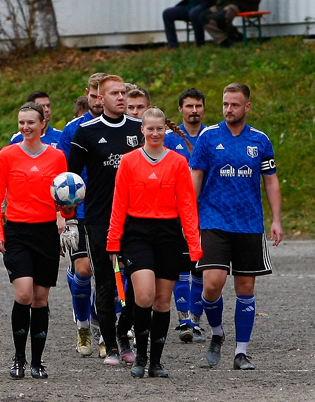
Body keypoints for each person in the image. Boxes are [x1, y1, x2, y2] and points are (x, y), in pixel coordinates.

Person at [190, 83, 283, 370]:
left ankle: (241, 353)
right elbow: (196, 177)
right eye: (225, 104)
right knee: (212, 284)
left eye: (234, 105)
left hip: (249, 224)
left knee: (245, 288)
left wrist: (276, 219)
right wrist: (189, 218)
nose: (229, 109)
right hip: (214, 221)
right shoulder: (208, 137)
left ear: (247, 107)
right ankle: (217, 332)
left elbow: (270, 180)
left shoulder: (260, 140)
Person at [107, 107, 202, 378]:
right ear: (142, 131)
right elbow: (118, 205)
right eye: (150, 129)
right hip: (137, 233)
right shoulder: (128, 161)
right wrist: (113, 242)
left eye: (160, 129)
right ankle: (140, 356)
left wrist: (194, 245)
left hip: (168, 234)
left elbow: (187, 205)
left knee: (162, 301)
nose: (155, 133)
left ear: (166, 130)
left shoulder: (177, 162)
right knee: (144, 295)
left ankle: (156, 362)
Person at [67, 74, 144, 367]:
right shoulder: (86, 132)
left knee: (138, 282)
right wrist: (69, 218)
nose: (121, 97)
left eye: (124, 92)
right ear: (100, 98)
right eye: (114, 93)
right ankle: (110, 345)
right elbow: (70, 179)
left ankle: (125, 335)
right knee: (105, 282)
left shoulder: (139, 129)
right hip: (100, 218)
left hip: (136, 217)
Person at [0, 102, 68, 379]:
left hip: (46, 233)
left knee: (40, 298)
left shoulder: (57, 157)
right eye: (21, 122)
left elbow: (64, 199)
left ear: (42, 124)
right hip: (18, 233)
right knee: (23, 293)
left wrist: (66, 214)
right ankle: (19, 359)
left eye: (30, 122)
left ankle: (37, 361)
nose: (25, 127)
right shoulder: (7, 155)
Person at [57, 73, 107, 358]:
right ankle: (84, 327)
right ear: (87, 94)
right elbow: (61, 175)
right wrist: (62, 214)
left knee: (109, 274)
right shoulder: (73, 129)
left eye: (104, 94)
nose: (98, 99)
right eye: (94, 93)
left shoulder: (124, 129)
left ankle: (104, 331)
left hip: (110, 212)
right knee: (85, 270)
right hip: (81, 213)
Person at [164, 87, 208, 342]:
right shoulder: (170, 139)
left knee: (200, 269)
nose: (194, 111)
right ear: (180, 109)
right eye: (189, 106)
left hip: (206, 214)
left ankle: (197, 320)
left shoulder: (212, 137)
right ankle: (184, 321)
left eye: (198, 106)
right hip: (176, 214)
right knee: (181, 267)